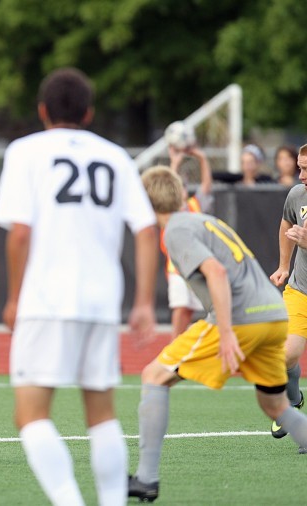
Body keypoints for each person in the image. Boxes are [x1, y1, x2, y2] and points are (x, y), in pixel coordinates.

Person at [0, 67, 158, 506]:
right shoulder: (116, 156)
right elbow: (145, 229)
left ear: (42, 110)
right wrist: (143, 301)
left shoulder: (25, 151)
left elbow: (20, 232)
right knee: (101, 414)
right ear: (89, 112)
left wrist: (13, 297)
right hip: (102, 300)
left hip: (46, 299)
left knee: (30, 415)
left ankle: (69, 502)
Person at [129, 165, 307, 502]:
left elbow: (216, 272)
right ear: (181, 194)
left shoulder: (176, 230)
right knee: (274, 404)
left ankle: (146, 479)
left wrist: (226, 331)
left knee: (153, 376)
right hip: (272, 314)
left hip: (242, 319)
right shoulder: (206, 221)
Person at [268, 143, 307, 442]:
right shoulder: (297, 194)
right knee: (285, 356)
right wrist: (284, 265)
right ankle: (293, 403)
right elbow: (286, 224)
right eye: (300, 167)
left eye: (306, 169)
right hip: (300, 290)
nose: (301, 174)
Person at [163, 144, 213, 337]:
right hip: (177, 266)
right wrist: (174, 163)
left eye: (183, 186)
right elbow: (166, 187)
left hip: (196, 265)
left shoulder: (194, 204)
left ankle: (180, 349)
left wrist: (202, 159)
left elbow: (206, 187)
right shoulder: (170, 208)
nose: (181, 189)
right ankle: (173, 349)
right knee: (180, 307)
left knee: (189, 311)